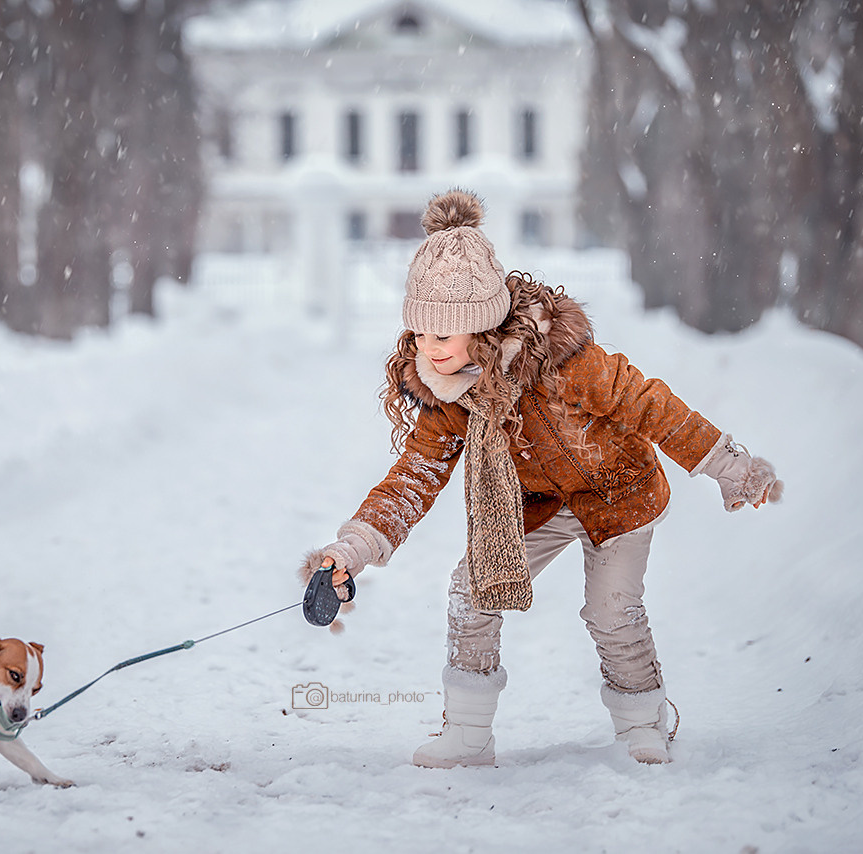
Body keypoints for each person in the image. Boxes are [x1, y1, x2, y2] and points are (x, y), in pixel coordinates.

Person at [302, 189, 782, 767]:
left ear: (479, 327)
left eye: (443, 336)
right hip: (540, 507)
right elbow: (416, 474)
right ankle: (469, 737)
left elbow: (653, 406)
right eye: (420, 335)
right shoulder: (447, 390)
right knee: (471, 591)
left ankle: (641, 723)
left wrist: (729, 467)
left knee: (611, 611)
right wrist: (352, 549)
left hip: (620, 496)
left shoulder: (565, 363)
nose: (428, 350)